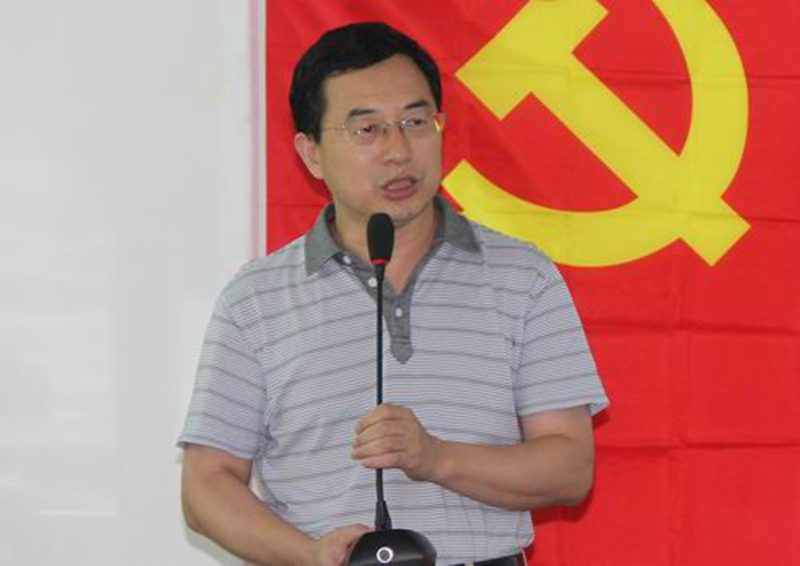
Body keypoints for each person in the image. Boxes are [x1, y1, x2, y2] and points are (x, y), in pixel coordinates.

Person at [179, 22, 608, 566]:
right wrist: (311, 555)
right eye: (368, 130)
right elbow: (206, 485)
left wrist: (435, 458)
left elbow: (570, 468)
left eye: (415, 121)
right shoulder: (255, 299)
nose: (399, 151)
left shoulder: (523, 277)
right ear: (311, 154)